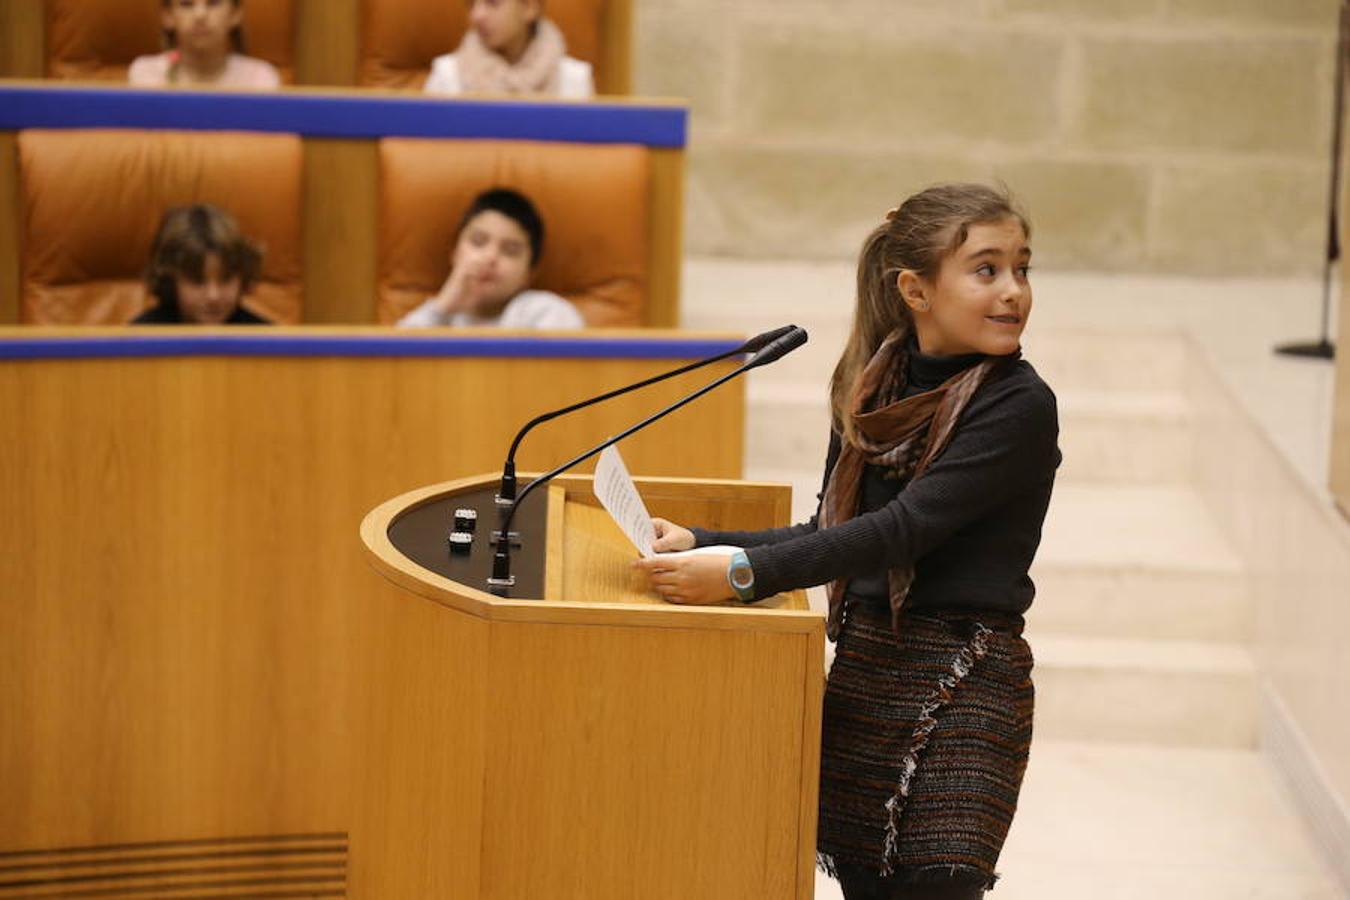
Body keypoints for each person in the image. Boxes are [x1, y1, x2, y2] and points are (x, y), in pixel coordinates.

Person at [634, 184, 1060, 899]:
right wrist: (703, 540)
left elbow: (900, 532)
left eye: (1022, 268)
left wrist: (744, 574)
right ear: (915, 290)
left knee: (937, 883)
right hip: (868, 671)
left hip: (966, 681)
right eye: (987, 269)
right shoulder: (871, 387)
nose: (1013, 290)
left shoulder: (1018, 403)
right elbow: (835, 528)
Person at [397, 188, 585, 329]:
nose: (490, 257)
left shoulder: (546, 312)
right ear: (454, 253)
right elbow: (392, 370)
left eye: (510, 251)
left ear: (530, 273)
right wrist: (442, 307)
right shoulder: (438, 317)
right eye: (478, 242)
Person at [423, 0, 594, 98]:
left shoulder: (574, 79)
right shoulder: (447, 75)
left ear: (529, 8)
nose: (477, 15)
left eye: (492, 3)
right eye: (471, 4)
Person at [134, 204, 271, 325]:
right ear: (170, 282)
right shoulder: (138, 338)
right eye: (197, 281)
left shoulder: (265, 338)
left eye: (226, 279)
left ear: (242, 279)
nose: (213, 296)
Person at [129, 0, 280, 89]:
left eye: (213, 2)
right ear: (167, 16)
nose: (200, 15)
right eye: (187, 4)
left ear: (236, 13)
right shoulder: (146, 75)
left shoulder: (260, 79)